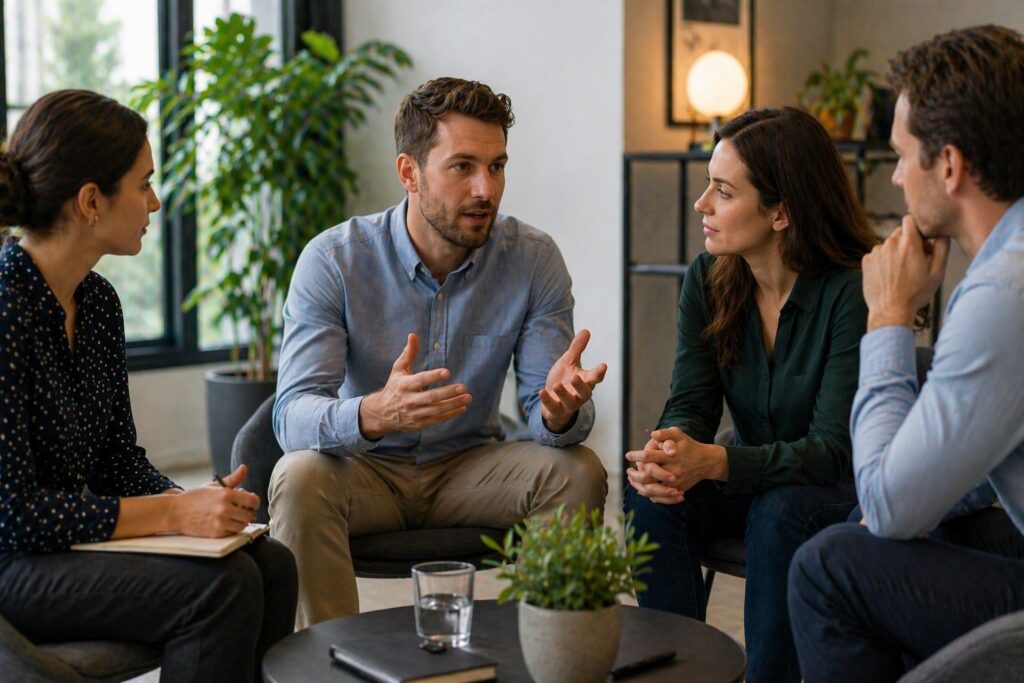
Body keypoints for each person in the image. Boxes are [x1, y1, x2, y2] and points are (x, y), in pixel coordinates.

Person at [269, 77, 608, 628]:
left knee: (577, 471)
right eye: (463, 167)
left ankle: (549, 653)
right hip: (366, 470)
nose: (486, 189)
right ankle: (326, 661)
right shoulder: (333, 259)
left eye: (497, 166)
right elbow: (291, 415)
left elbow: (547, 414)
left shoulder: (533, 259)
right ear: (409, 172)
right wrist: (374, 413)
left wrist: (558, 410)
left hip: (471, 467)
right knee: (300, 475)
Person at [0, 90, 297, 683]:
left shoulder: (100, 303)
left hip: (70, 543)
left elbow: (116, 458)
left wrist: (202, 505)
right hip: (15, 560)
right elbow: (13, 514)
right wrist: (171, 512)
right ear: (90, 201)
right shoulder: (5, 305)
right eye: (143, 184)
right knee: (221, 589)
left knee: (271, 564)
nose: (155, 202)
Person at [788, 25, 1024, 683]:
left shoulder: (1006, 291)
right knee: (902, 525)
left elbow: (891, 505)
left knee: (828, 567)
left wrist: (890, 318)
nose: (893, 176)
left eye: (901, 155)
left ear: (949, 166)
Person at [624, 107, 878, 683]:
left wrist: (713, 461)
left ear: (781, 212)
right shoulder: (708, 278)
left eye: (722, 191)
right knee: (649, 497)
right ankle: (676, 674)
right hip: (752, 473)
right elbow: (691, 400)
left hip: (841, 486)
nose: (702, 205)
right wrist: (671, 450)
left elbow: (834, 448)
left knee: (780, 510)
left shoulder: (853, 289)